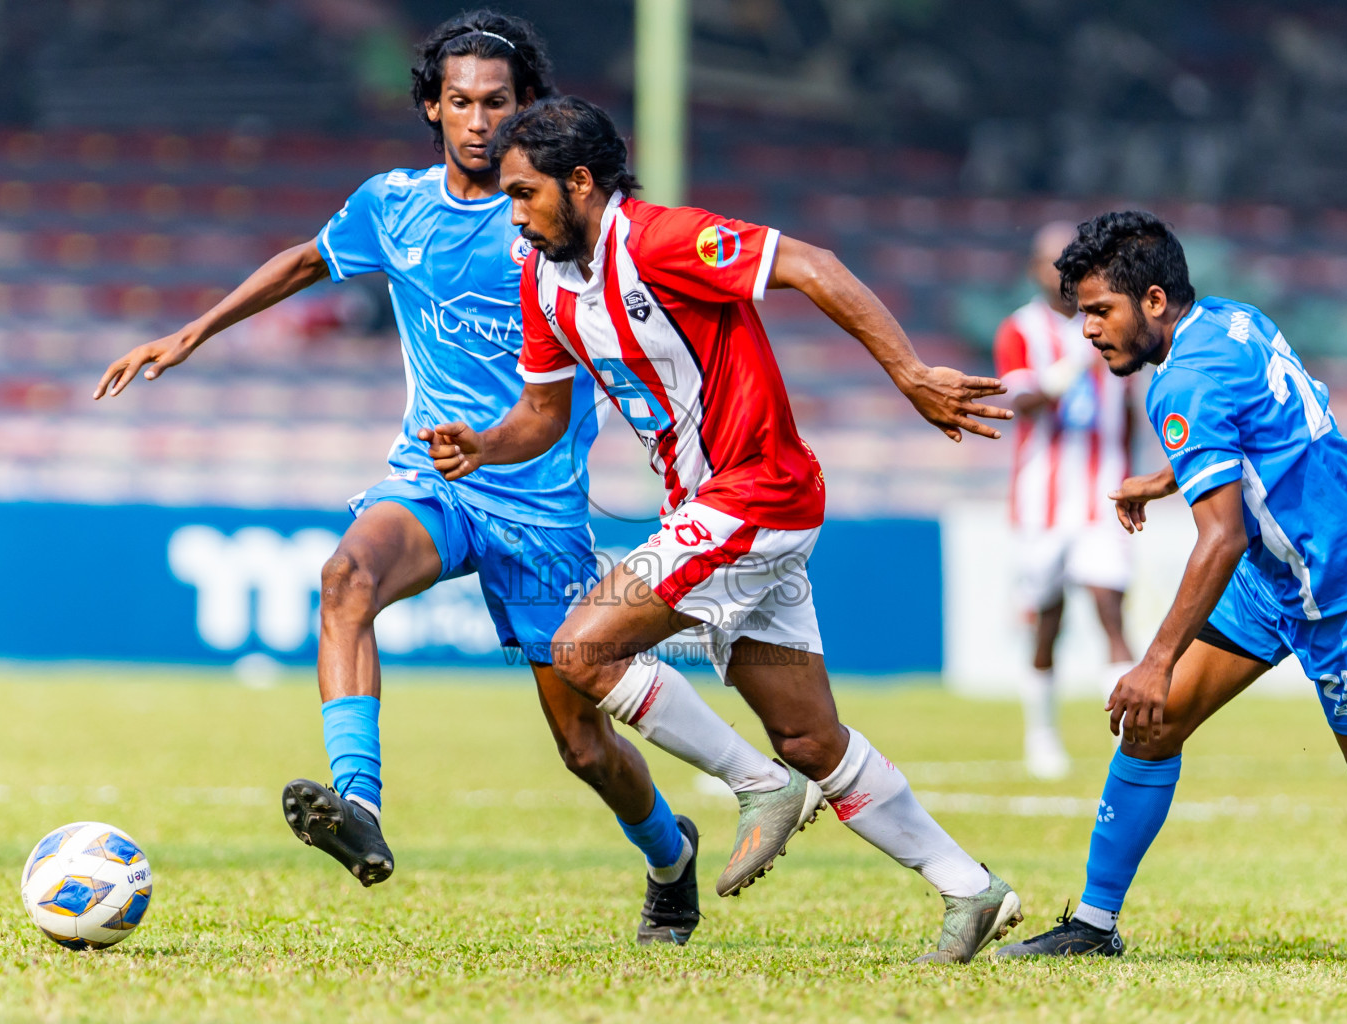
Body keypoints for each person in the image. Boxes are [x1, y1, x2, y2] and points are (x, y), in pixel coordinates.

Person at [92, 11, 792, 947]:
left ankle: (672, 858)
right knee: (345, 581)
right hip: (436, 478)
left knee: (583, 744)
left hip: (542, 507)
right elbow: (306, 259)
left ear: (525, 108)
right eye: (458, 101)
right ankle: (360, 809)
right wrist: (193, 332)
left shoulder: (559, 220)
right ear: (430, 105)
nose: (476, 119)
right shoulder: (394, 206)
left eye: (495, 102)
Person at [424, 95, 1025, 963]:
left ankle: (755, 785)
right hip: (709, 513)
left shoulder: (663, 241)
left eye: (524, 194)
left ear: (581, 181)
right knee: (812, 736)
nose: (513, 214)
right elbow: (542, 413)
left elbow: (811, 264)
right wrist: (483, 445)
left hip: (757, 495)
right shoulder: (543, 275)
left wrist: (909, 372)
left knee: (582, 650)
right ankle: (972, 890)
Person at [997, 211, 1347, 958]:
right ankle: (1094, 928)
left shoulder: (1180, 386)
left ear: (1153, 301)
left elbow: (1219, 537)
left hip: (1345, 587)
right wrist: (1168, 478)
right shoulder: (1231, 320)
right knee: (1152, 727)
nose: (1088, 330)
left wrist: (1155, 659)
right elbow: (1272, 423)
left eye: (1100, 310)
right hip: (1278, 576)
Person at [994, 222, 1135, 779]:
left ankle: (1128, 745)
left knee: (1110, 610)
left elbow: (1125, 405)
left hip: (1103, 497)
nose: (1064, 277)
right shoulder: (1020, 329)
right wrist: (1064, 374)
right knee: (1047, 622)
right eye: (1053, 265)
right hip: (1041, 504)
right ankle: (1042, 736)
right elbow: (1019, 399)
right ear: (1034, 270)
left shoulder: (1107, 320)